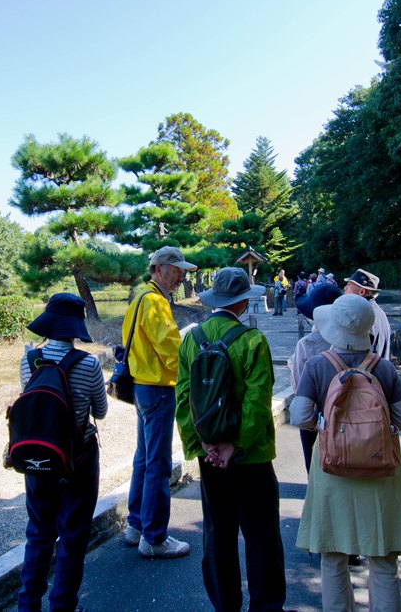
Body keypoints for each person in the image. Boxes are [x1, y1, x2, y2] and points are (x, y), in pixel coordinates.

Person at [290, 294, 401, 612]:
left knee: (333, 557)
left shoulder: (317, 366)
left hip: (332, 471)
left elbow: (300, 417)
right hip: (381, 472)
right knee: (383, 559)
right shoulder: (384, 369)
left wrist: (327, 422)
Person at [176, 267, 291, 612]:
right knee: (261, 537)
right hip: (251, 457)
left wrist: (204, 448)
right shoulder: (252, 341)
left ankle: (225, 605)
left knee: (219, 534)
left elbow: (184, 401)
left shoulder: (190, 340)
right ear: (243, 302)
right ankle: (266, 606)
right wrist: (235, 445)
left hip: (211, 460)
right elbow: (257, 403)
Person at [17, 294, 107, 612]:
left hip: (36, 459)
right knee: (73, 534)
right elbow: (102, 411)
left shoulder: (28, 362)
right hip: (78, 459)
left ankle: (27, 604)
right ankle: (63, 605)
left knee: (39, 532)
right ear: (75, 328)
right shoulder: (89, 364)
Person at [122, 246, 196, 558]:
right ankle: (154, 538)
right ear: (160, 268)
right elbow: (171, 349)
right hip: (158, 388)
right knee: (158, 463)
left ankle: (136, 524)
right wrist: (193, 377)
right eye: (176, 268)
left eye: (182, 270)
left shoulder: (140, 297)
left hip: (142, 385)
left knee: (145, 458)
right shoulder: (153, 301)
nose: (181, 275)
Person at [288, 282, 343, 472]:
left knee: (314, 464)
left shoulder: (307, 343)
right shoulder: (354, 339)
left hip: (315, 416)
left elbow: (298, 386)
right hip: (348, 414)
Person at [344, 268, 393, 360]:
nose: (345, 288)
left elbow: (356, 354)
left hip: (367, 372)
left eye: (349, 285)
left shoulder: (363, 315)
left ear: (362, 292)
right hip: (379, 371)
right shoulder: (378, 311)